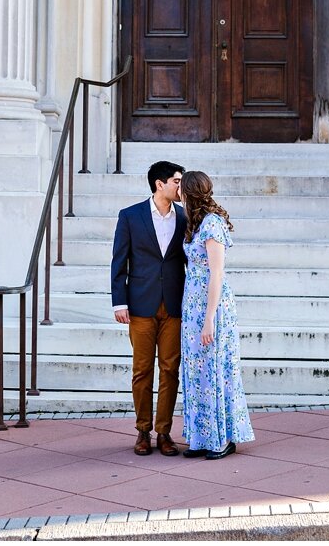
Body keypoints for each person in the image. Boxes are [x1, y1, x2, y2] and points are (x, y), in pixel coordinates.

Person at [110, 161, 187, 456]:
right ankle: (143, 430)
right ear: (160, 184)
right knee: (142, 370)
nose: (181, 187)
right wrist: (119, 301)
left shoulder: (183, 218)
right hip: (140, 305)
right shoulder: (130, 216)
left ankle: (164, 432)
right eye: (177, 181)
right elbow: (119, 261)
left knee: (170, 370)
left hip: (174, 306)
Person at [178, 170, 255, 459]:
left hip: (212, 307)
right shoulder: (195, 223)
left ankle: (222, 438)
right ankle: (201, 437)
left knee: (215, 370)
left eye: (181, 188)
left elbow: (217, 273)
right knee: (197, 372)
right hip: (193, 305)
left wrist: (209, 317)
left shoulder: (212, 224)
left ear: (189, 192)